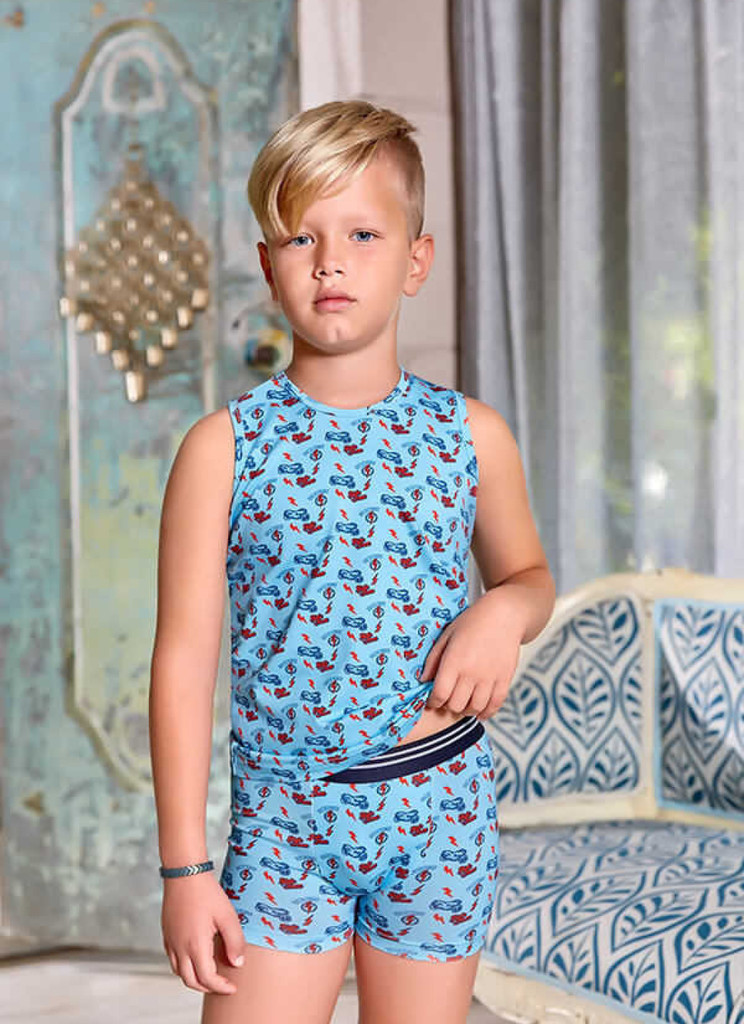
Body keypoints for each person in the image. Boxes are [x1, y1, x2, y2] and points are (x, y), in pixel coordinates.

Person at [149, 99, 556, 1024]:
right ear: (268, 266)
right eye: (301, 238)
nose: (330, 261)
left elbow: (530, 578)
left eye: (363, 234)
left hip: (441, 817)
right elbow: (182, 662)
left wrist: (503, 611)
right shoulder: (222, 449)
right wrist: (185, 869)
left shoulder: (473, 435)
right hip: (285, 829)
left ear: (417, 259)